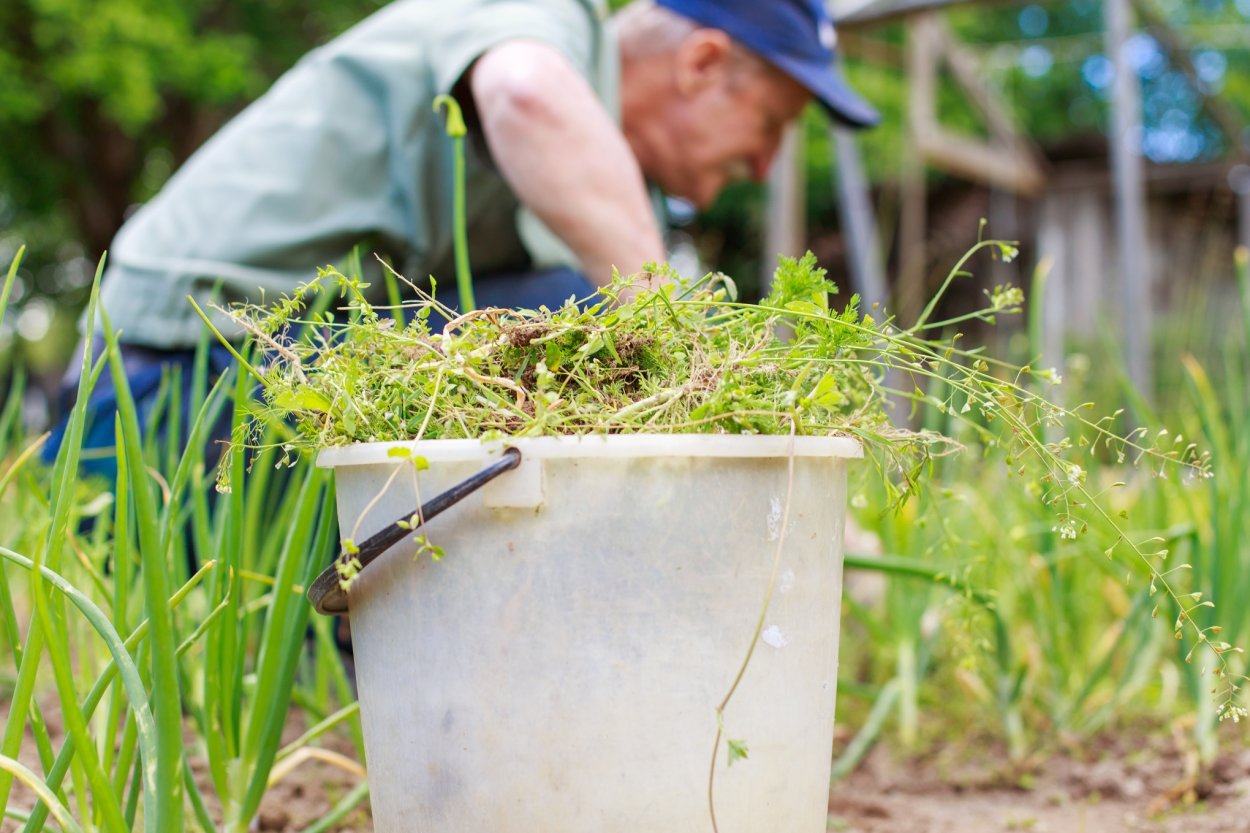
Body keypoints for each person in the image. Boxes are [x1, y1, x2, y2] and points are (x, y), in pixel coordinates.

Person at [48, 0, 878, 473]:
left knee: (566, 324)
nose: (768, 166)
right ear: (700, 64)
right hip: (151, 404)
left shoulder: (582, 192)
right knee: (587, 324)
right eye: (771, 124)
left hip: (248, 401)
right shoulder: (545, 18)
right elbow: (524, 92)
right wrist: (689, 358)